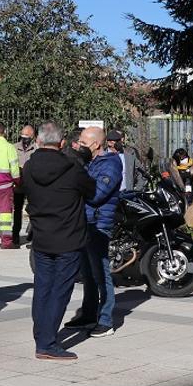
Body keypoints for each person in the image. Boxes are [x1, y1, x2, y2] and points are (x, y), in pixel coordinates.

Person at [23, 120, 96, 361]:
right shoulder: (72, 168)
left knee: (42, 288)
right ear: (62, 143)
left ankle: (40, 334)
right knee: (60, 291)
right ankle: (46, 343)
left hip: (42, 236)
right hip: (68, 237)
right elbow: (92, 191)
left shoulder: (29, 167)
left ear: (38, 141)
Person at [64, 126, 124, 337]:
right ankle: (88, 314)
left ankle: (106, 320)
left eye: (83, 143)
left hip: (98, 224)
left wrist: (78, 184)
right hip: (85, 222)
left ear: (96, 145)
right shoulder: (90, 162)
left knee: (101, 272)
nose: (79, 146)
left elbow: (97, 194)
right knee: (87, 273)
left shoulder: (111, 164)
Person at [13, 124, 38, 245]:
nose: (24, 138)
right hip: (18, 185)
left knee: (34, 209)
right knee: (17, 210)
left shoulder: (36, 148)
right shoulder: (14, 147)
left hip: (32, 185)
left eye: (27, 135)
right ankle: (15, 234)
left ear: (32, 136)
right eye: (23, 135)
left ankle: (33, 232)